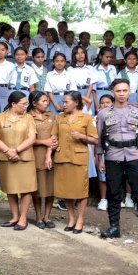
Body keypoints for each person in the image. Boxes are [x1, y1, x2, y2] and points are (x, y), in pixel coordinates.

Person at [95, 78, 138, 244]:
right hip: (112, 156)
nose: (121, 94)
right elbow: (99, 139)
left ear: (130, 91)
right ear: (113, 92)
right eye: (118, 91)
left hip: (134, 156)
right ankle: (114, 227)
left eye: (125, 90)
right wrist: (99, 159)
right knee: (113, 193)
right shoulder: (103, 113)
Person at [52, 91, 98, 233]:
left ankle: (80, 219)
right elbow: (54, 136)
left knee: (80, 190)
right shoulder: (59, 118)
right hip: (62, 158)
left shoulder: (87, 118)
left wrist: (81, 136)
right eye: (63, 102)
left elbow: (95, 139)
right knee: (65, 190)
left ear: (76, 102)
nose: (63, 105)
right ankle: (71, 218)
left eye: (66, 102)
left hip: (79, 158)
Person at [0, 90, 37, 230]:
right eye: (23, 104)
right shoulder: (0, 117)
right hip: (6, 158)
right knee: (10, 188)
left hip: (25, 158)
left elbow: (32, 138)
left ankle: (23, 218)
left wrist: (16, 150)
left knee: (26, 188)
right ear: (13, 104)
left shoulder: (29, 118)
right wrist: (8, 151)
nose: (25, 106)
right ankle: (14, 216)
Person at [29, 91, 56, 228]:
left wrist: (51, 146)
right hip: (35, 155)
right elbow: (26, 139)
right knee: (38, 188)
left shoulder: (51, 115)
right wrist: (44, 142)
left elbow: (55, 135)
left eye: (47, 101)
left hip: (51, 156)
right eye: (44, 101)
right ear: (34, 103)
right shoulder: (28, 117)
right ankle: (39, 217)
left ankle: (47, 216)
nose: (47, 103)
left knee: (51, 187)